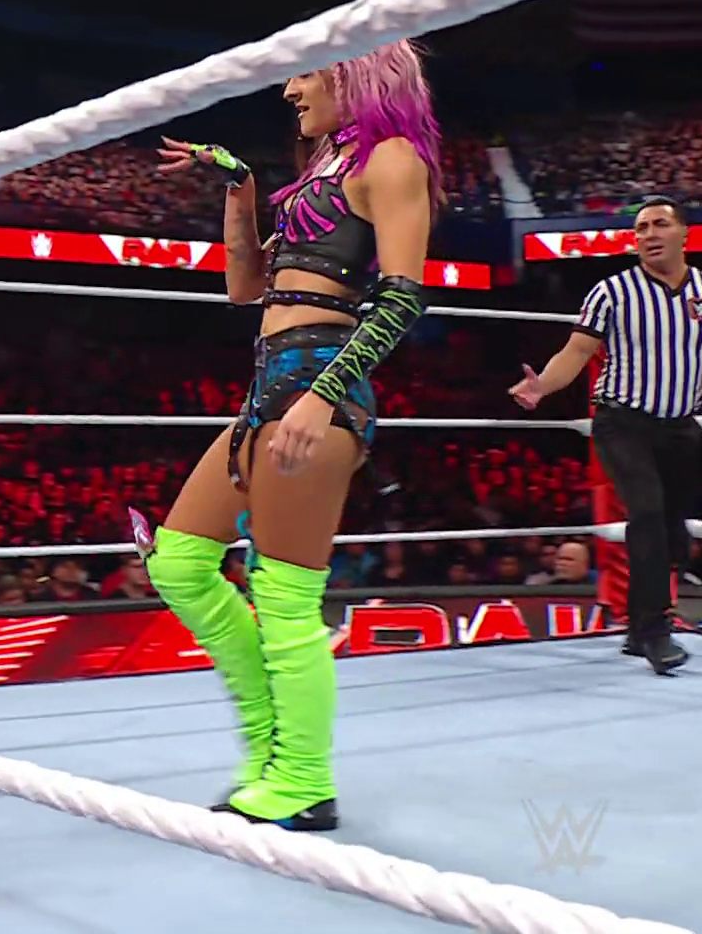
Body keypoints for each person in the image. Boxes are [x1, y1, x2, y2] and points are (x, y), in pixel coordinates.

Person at [138, 41, 440, 831]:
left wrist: (323, 395)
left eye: (305, 71)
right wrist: (239, 187)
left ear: (354, 71)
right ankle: (272, 750)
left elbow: (404, 300)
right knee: (178, 562)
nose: (289, 89)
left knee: (284, 594)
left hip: (320, 384)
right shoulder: (321, 171)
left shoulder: (393, 158)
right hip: (269, 383)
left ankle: (302, 777)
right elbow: (245, 289)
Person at [509, 196, 702, 674]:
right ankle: (656, 630)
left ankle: (638, 628)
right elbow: (576, 352)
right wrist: (541, 386)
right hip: (622, 422)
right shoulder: (612, 292)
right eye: (641, 229)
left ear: (684, 234)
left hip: (680, 426)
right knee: (648, 513)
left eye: (660, 225)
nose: (649, 235)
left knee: (671, 529)